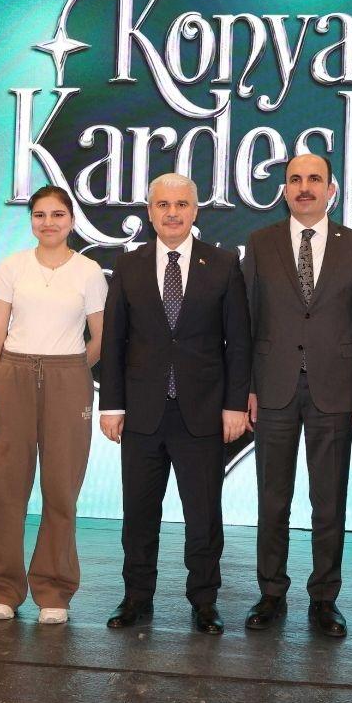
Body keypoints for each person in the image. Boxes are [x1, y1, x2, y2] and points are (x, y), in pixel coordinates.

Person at [100, 173, 252, 635]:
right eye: (163, 205)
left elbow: (238, 342)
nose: (172, 213)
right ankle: (136, 597)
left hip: (202, 414)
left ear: (195, 210)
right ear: (149, 212)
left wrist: (234, 405)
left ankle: (204, 601)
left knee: (203, 515)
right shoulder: (128, 265)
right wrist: (112, 405)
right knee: (138, 514)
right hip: (142, 414)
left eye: (181, 204)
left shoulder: (223, 264)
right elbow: (114, 341)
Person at [240, 154, 352, 637]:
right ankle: (271, 592)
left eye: (314, 179)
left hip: (334, 388)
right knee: (272, 500)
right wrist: (246, 387)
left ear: (331, 190)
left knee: (329, 502)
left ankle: (324, 598)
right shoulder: (261, 243)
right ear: (284, 189)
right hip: (272, 386)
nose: (304, 187)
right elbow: (246, 319)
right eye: (295, 179)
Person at [0, 186, 106, 625]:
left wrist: (70, 369)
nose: (48, 222)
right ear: (31, 220)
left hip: (68, 379)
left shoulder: (89, 272)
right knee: (4, 488)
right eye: (39, 215)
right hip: (11, 376)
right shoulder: (12, 266)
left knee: (61, 488)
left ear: (71, 219)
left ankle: (54, 590)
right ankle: (1, 588)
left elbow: (100, 337)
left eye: (57, 214)